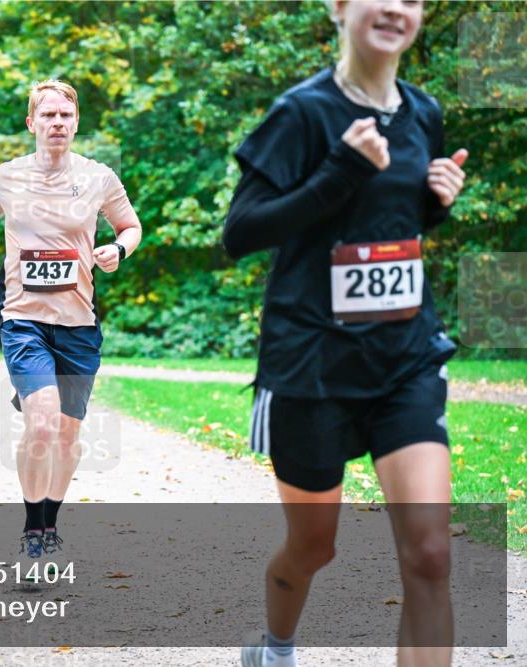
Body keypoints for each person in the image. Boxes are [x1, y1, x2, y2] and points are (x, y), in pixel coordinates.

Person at [222, 1, 467, 665]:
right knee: (313, 546)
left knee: (431, 551)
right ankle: (275, 648)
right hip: (311, 366)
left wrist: (433, 205)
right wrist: (340, 170)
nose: (395, 7)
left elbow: (390, 228)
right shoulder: (302, 113)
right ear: (339, 7)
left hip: (404, 357)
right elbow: (239, 233)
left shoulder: (424, 113)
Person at [0, 79, 142, 569]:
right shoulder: (5, 177)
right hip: (23, 318)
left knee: (66, 435)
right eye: (48, 115)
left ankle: (51, 524)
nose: (57, 123)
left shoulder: (100, 177)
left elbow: (131, 225)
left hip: (79, 323)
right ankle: (31, 533)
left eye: (65, 115)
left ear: (76, 121)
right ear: (32, 123)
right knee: (40, 422)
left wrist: (117, 249)